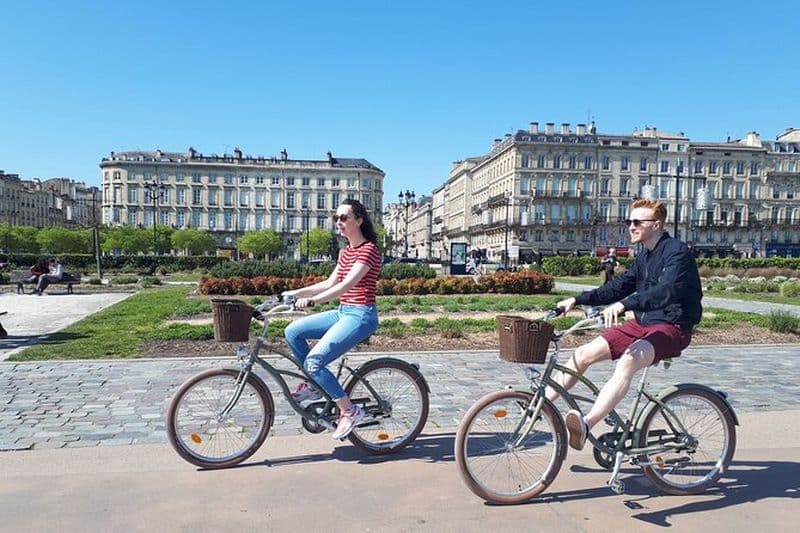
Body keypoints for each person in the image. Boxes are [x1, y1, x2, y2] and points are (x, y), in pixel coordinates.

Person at [550, 199, 702, 451]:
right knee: (582, 353)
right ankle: (541, 408)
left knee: (629, 359)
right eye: (629, 221)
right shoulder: (644, 256)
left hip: (672, 326)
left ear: (657, 224)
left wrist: (626, 305)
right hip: (642, 324)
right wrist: (576, 300)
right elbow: (616, 287)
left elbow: (666, 291)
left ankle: (586, 425)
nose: (630, 226)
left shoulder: (677, 252)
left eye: (636, 222)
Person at [282, 199, 382, 440]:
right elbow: (330, 283)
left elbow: (347, 285)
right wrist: (295, 293)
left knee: (314, 362)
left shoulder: (369, 250)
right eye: (336, 218)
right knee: (292, 331)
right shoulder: (345, 252)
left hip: (361, 315)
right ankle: (315, 386)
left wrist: (313, 302)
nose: (339, 222)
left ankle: (349, 410)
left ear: (359, 220)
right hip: (343, 311)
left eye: (344, 217)